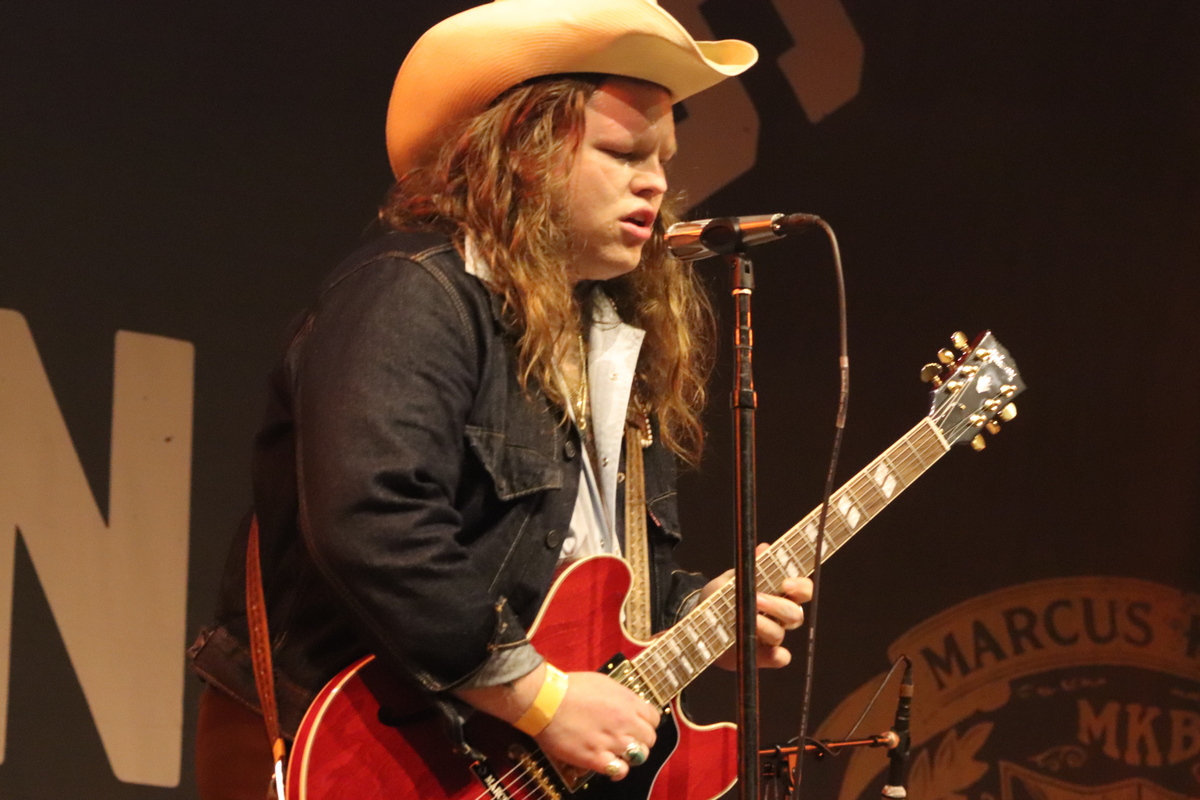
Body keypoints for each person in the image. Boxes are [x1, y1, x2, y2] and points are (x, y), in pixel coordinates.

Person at [189, 1, 813, 797]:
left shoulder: (608, 340)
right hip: (354, 748)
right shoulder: (413, 292)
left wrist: (695, 611)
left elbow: (569, 573)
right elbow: (374, 518)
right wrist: (541, 699)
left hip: (499, 762)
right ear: (521, 156)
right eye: (622, 152)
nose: (656, 181)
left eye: (662, 158)